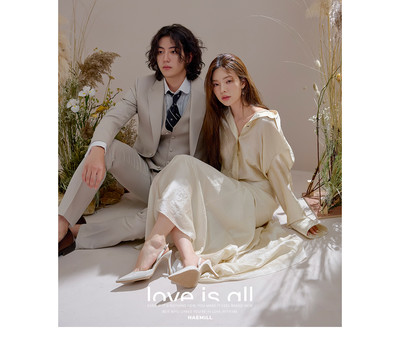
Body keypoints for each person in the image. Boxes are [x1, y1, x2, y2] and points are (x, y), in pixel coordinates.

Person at [116, 53, 327, 287]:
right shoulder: (221, 120)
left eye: (228, 81)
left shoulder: (265, 123)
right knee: (181, 190)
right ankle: (189, 260)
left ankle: (155, 243)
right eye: (216, 84)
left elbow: (279, 175)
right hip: (229, 193)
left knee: (182, 167)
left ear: (243, 83)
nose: (222, 90)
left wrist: (298, 219)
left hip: (257, 200)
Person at [58, 24, 206, 255]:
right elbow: (113, 118)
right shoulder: (143, 86)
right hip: (148, 175)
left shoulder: (207, 92)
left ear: (189, 56)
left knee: (150, 222)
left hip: (183, 185)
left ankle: (77, 233)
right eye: (160, 51)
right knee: (106, 148)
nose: (165, 58)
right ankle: (60, 224)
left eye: (173, 51)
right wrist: (97, 150)